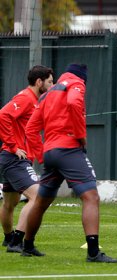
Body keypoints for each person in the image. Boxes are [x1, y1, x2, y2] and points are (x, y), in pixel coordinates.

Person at [24, 63, 117, 263]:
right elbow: (75, 103)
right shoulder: (76, 84)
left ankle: (27, 245)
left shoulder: (46, 94)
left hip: (51, 152)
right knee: (91, 197)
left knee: (41, 203)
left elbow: (31, 129)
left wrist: (42, 156)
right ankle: (93, 253)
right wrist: (81, 136)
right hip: (68, 149)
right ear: (83, 78)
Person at [0, 65, 54, 253]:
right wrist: (14, 147)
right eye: (49, 82)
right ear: (39, 82)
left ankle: (8, 239)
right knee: (38, 196)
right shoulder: (25, 98)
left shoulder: (36, 101)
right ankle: (17, 241)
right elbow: (3, 115)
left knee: (10, 203)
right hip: (15, 159)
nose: (52, 85)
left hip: (11, 159)